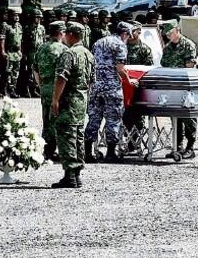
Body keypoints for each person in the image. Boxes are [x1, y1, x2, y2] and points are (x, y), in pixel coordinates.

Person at [51, 22, 95, 188]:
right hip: (81, 101)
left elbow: (62, 78)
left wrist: (55, 99)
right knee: (77, 136)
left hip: (68, 101)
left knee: (66, 136)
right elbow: (91, 81)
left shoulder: (69, 54)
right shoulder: (88, 54)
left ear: (71, 35)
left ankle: (70, 175)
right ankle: (76, 174)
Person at [85, 21, 135, 162]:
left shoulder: (98, 42)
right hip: (112, 88)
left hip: (96, 87)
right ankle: (111, 153)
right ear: (124, 34)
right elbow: (120, 68)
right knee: (113, 119)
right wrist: (129, 80)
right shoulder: (120, 45)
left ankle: (88, 152)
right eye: (128, 36)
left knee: (94, 118)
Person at [160, 20, 198, 159]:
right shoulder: (168, 48)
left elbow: (190, 67)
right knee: (175, 117)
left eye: (171, 33)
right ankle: (177, 147)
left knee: (188, 117)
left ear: (177, 30)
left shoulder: (188, 45)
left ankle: (190, 147)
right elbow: (164, 66)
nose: (169, 36)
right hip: (173, 88)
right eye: (167, 34)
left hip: (186, 87)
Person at [34, 21, 68, 160]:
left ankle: (47, 150)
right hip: (58, 90)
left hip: (45, 89)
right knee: (58, 120)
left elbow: (35, 70)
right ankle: (56, 150)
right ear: (61, 33)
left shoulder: (41, 48)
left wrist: (42, 85)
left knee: (46, 121)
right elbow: (64, 74)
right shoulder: (63, 50)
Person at [0, 8, 24, 97]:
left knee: (15, 73)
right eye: (14, 15)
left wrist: (20, 51)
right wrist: (2, 51)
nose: (16, 17)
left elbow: (20, 40)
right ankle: (5, 90)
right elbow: (2, 39)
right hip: (9, 52)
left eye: (17, 15)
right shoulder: (5, 26)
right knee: (7, 72)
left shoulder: (19, 26)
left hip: (17, 53)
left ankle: (12, 90)